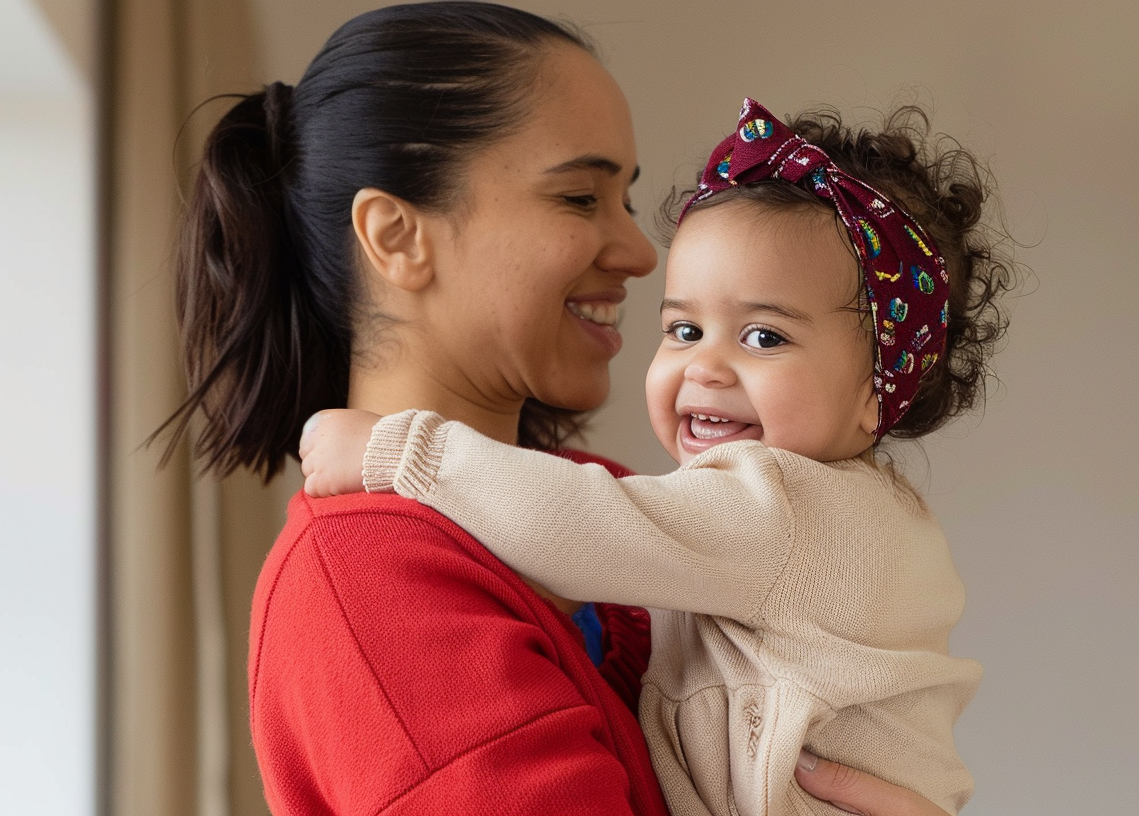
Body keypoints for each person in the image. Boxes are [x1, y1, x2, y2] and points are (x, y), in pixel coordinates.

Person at [162, 2, 964, 814]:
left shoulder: (609, 514)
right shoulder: (370, 579)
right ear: (398, 236)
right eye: (581, 198)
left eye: (625, 199)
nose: (642, 251)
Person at [298, 98, 1017, 816]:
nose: (705, 366)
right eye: (683, 329)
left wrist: (401, 449)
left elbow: (578, 523)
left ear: (879, 391)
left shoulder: (785, 508)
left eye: (764, 337)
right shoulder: (839, 513)